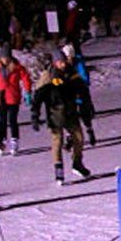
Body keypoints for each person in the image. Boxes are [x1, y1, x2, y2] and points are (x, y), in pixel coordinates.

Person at [31, 49, 95, 185]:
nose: (63, 65)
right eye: (60, 62)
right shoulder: (48, 75)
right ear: (55, 63)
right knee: (57, 140)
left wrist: (87, 105)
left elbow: (83, 89)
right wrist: (35, 114)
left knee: (78, 137)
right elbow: (38, 96)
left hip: (71, 110)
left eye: (64, 61)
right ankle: (58, 168)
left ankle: (77, 163)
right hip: (55, 112)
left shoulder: (71, 73)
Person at [0, 49, 32, 156]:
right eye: (3, 58)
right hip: (1, 97)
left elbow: (26, 78)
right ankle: (2, 142)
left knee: (12, 120)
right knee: (1, 121)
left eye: (7, 58)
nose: (5, 60)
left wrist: (27, 91)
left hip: (13, 97)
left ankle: (14, 142)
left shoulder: (17, 67)